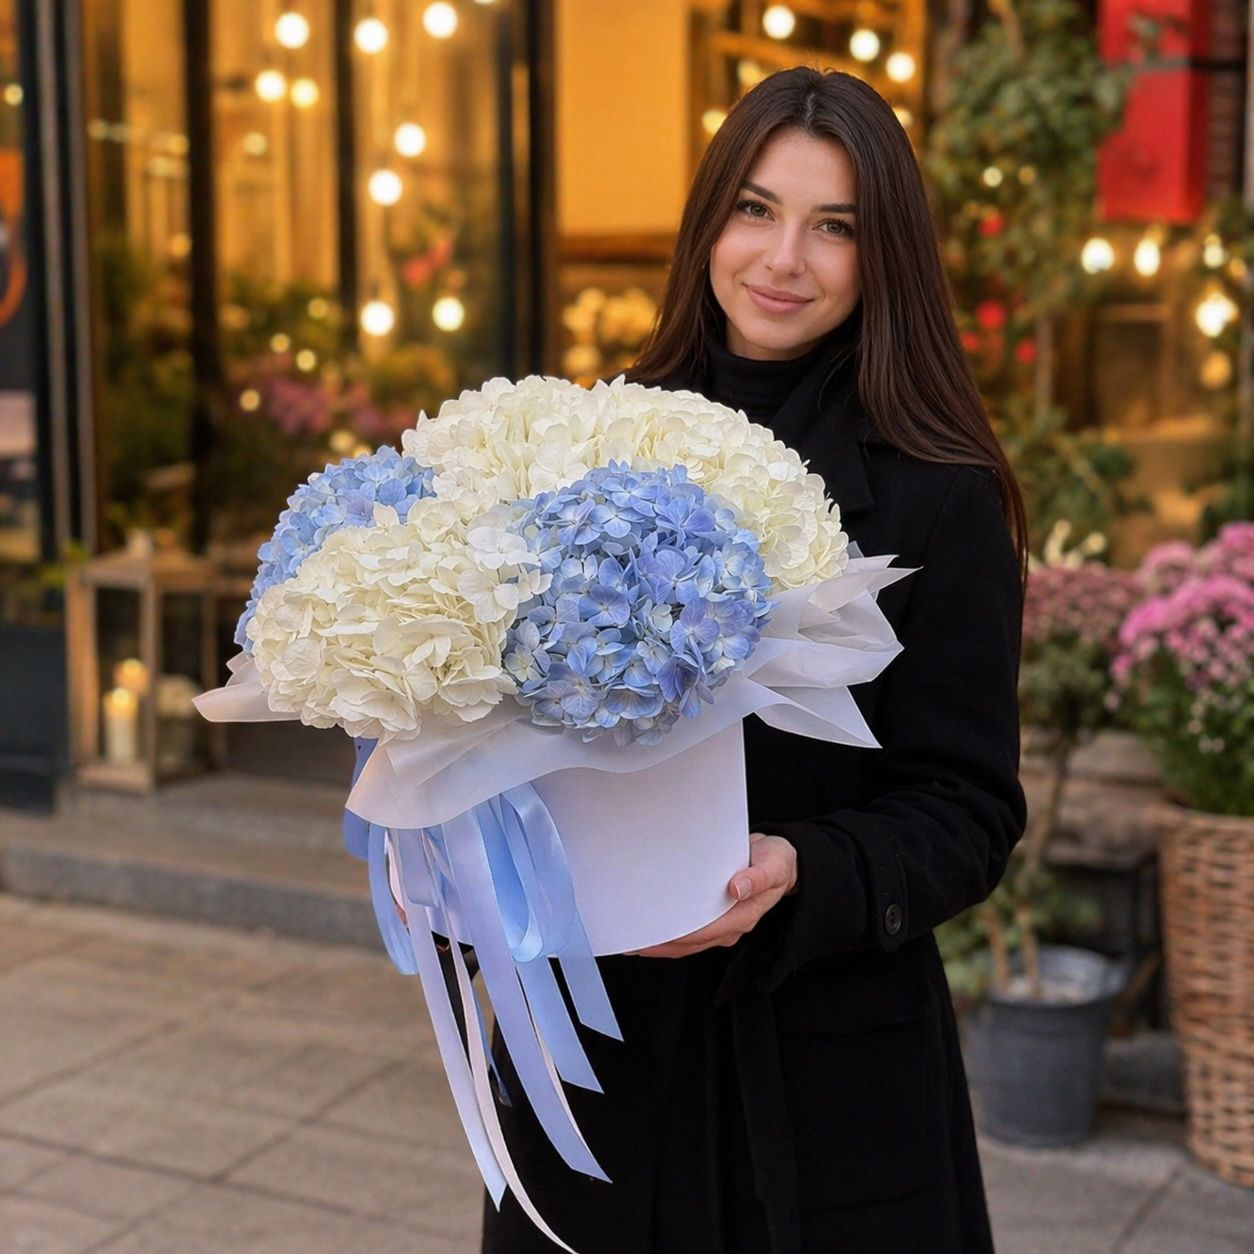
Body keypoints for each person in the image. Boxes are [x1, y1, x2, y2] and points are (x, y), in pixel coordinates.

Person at [481, 67, 1027, 1254]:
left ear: (883, 257)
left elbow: (969, 808)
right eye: (756, 210)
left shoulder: (940, 494)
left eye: (835, 227)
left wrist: (806, 869)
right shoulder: (583, 443)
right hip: (599, 1048)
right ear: (709, 223)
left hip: (823, 1070)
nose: (784, 259)